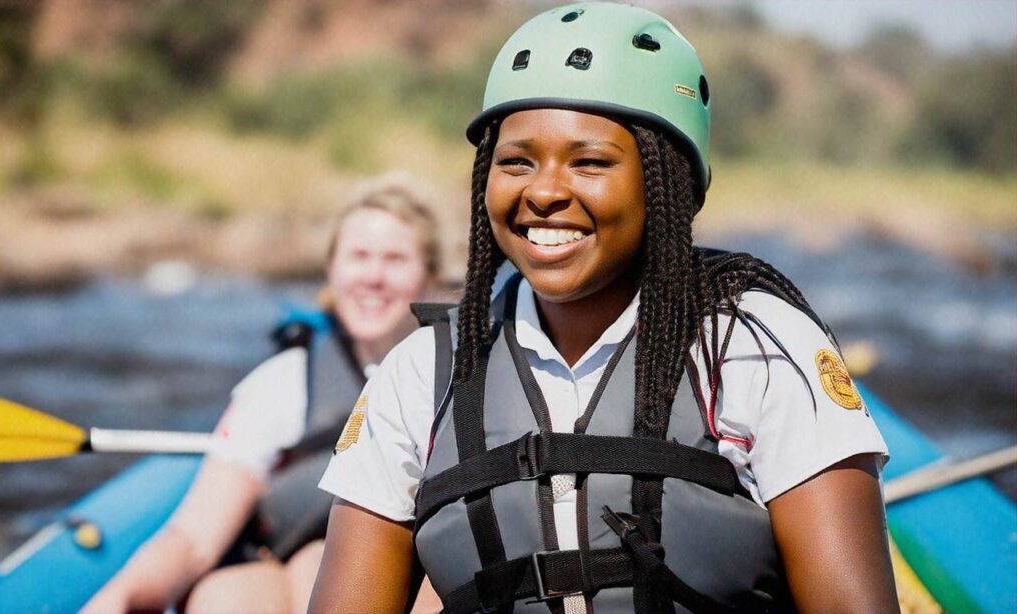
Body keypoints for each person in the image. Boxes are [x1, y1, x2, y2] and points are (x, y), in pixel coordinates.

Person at [309, 3, 900, 614]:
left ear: (668, 184)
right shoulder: (420, 373)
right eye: (516, 161)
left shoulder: (757, 350)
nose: (543, 192)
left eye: (589, 162)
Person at [82, 176, 443, 614]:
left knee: (319, 567)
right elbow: (195, 538)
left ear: (430, 277)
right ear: (332, 271)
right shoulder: (283, 382)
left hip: (408, 575)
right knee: (227, 596)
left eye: (395, 259)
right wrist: (118, 599)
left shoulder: (459, 377)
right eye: (359, 256)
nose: (373, 276)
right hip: (281, 565)